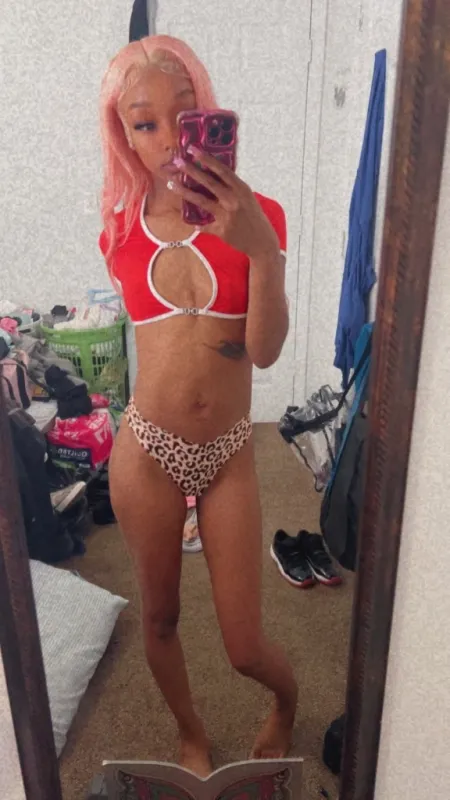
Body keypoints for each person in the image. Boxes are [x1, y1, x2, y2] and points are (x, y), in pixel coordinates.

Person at [99, 34, 298, 777]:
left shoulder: (260, 215)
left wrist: (263, 252)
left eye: (181, 116)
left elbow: (266, 352)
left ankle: (285, 701)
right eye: (142, 122)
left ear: (205, 117)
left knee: (244, 645)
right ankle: (190, 729)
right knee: (159, 617)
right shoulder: (119, 232)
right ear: (123, 134)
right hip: (146, 450)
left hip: (229, 452)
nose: (164, 139)